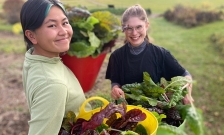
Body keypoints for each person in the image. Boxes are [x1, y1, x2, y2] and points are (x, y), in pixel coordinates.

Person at [20, 0, 91, 134]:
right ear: (31, 36)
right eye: (52, 25)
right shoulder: (52, 85)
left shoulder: (34, 57)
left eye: (65, 23)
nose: (63, 31)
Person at [105, 4, 194, 105]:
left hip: (154, 113)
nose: (134, 33)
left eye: (139, 27)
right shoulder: (116, 56)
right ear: (124, 29)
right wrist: (115, 89)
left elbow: (185, 75)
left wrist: (187, 94)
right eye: (129, 28)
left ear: (146, 25)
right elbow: (115, 81)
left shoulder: (160, 54)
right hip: (125, 112)